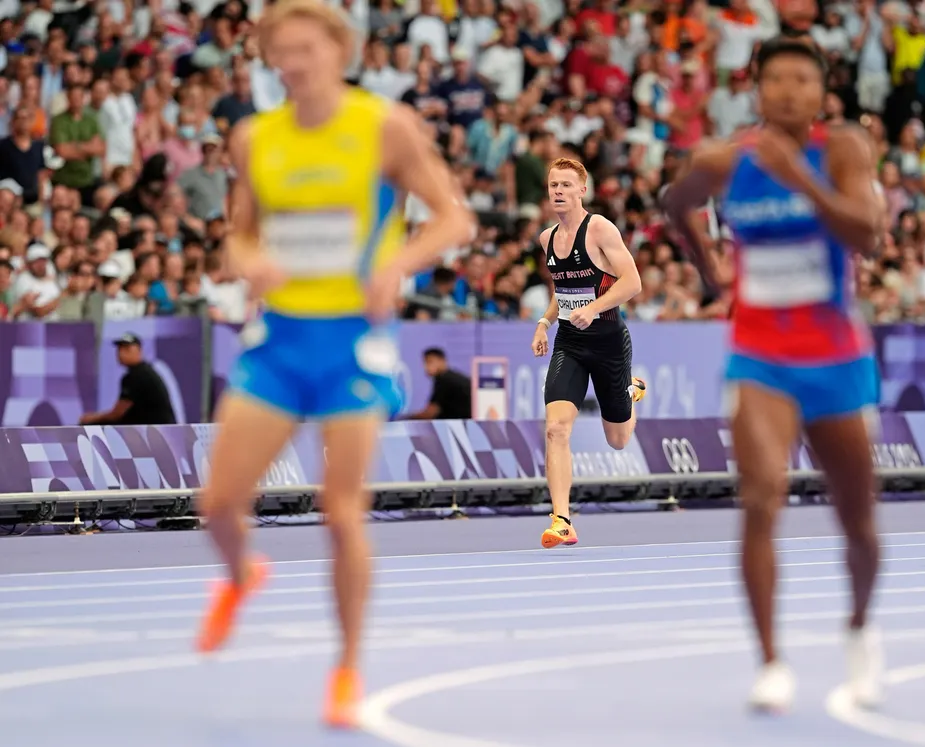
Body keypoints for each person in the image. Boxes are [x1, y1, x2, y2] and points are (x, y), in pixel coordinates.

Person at [193, 0, 475, 731]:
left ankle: (346, 668)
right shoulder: (255, 138)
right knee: (217, 504)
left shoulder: (383, 126)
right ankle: (241, 571)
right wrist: (253, 264)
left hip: (353, 343)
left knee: (339, 510)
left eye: (306, 49)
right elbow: (239, 235)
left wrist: (399, 266)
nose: (294, 63)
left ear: (338, 50)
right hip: (279, 343)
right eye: (280, 51)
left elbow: (453, 218)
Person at [661, 38, 886, 713]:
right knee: (761, 495)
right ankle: (770, 660)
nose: (788, 90)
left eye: (802, 80)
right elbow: (676, 202)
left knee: (859, 522)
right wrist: (709, 264)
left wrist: (803, 180)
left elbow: (867, 234)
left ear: (822, 94)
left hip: (836, 357)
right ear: (756, 91)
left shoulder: (841, 148)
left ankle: (859, 630)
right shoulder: (726, 160)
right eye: (775, 80)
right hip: (758, 354)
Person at [531, 157, 645, 549]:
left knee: (617, 440)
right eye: (552, 186)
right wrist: (545, 323)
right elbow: (560, 291)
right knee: (555, 428)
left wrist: (594, 308)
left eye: (566, 185)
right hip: (570, 343)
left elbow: (633, 282)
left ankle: (631, 392)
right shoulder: (546, 239)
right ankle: (562, 519)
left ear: (583, 189)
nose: (558, 191)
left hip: (609, 341)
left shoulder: (599, 228)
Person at [79, 333, 176, 426]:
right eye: (119, 349)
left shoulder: (137, 375)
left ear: (139, 351)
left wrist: (90, 418)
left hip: (156, 431)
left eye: (127, 348)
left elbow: (116, 414)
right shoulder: (142, 372)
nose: (121, 353)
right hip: (152, 427)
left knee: (91, 426)